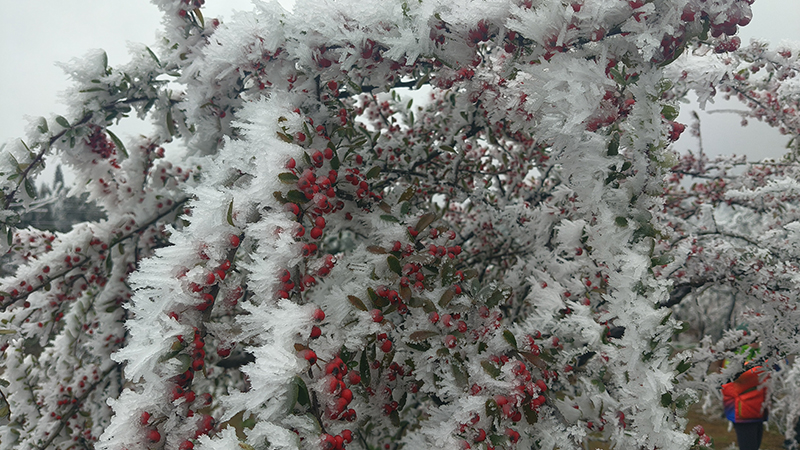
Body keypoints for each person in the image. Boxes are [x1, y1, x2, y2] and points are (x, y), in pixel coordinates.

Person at [721, 363, 769, 450]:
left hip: (756, 408)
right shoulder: (735, 355)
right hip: (744, 410)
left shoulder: (758, 354)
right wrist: (768, 362)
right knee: (748, 446)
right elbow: (740, 376)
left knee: (754, 445)